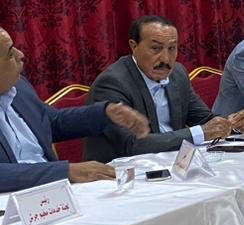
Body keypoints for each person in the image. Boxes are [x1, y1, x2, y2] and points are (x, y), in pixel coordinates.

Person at [0, 26, 151, 194]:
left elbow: (51, 122)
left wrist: (106, 113)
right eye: (10, 54)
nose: (20, 54)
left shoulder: (19, 87)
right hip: (14, 200)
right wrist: (65, 172)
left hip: (55, 192)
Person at [84, 15, 244, 161]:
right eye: (155, 48)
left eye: (172, 48)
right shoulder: (112, 83)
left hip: (174, 164)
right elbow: (132, 144)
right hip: (120, 175)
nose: (165, 58)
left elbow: (205, 120)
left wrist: (232, 124)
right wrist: (200, 133)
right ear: (134, 46)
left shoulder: (177, 74)